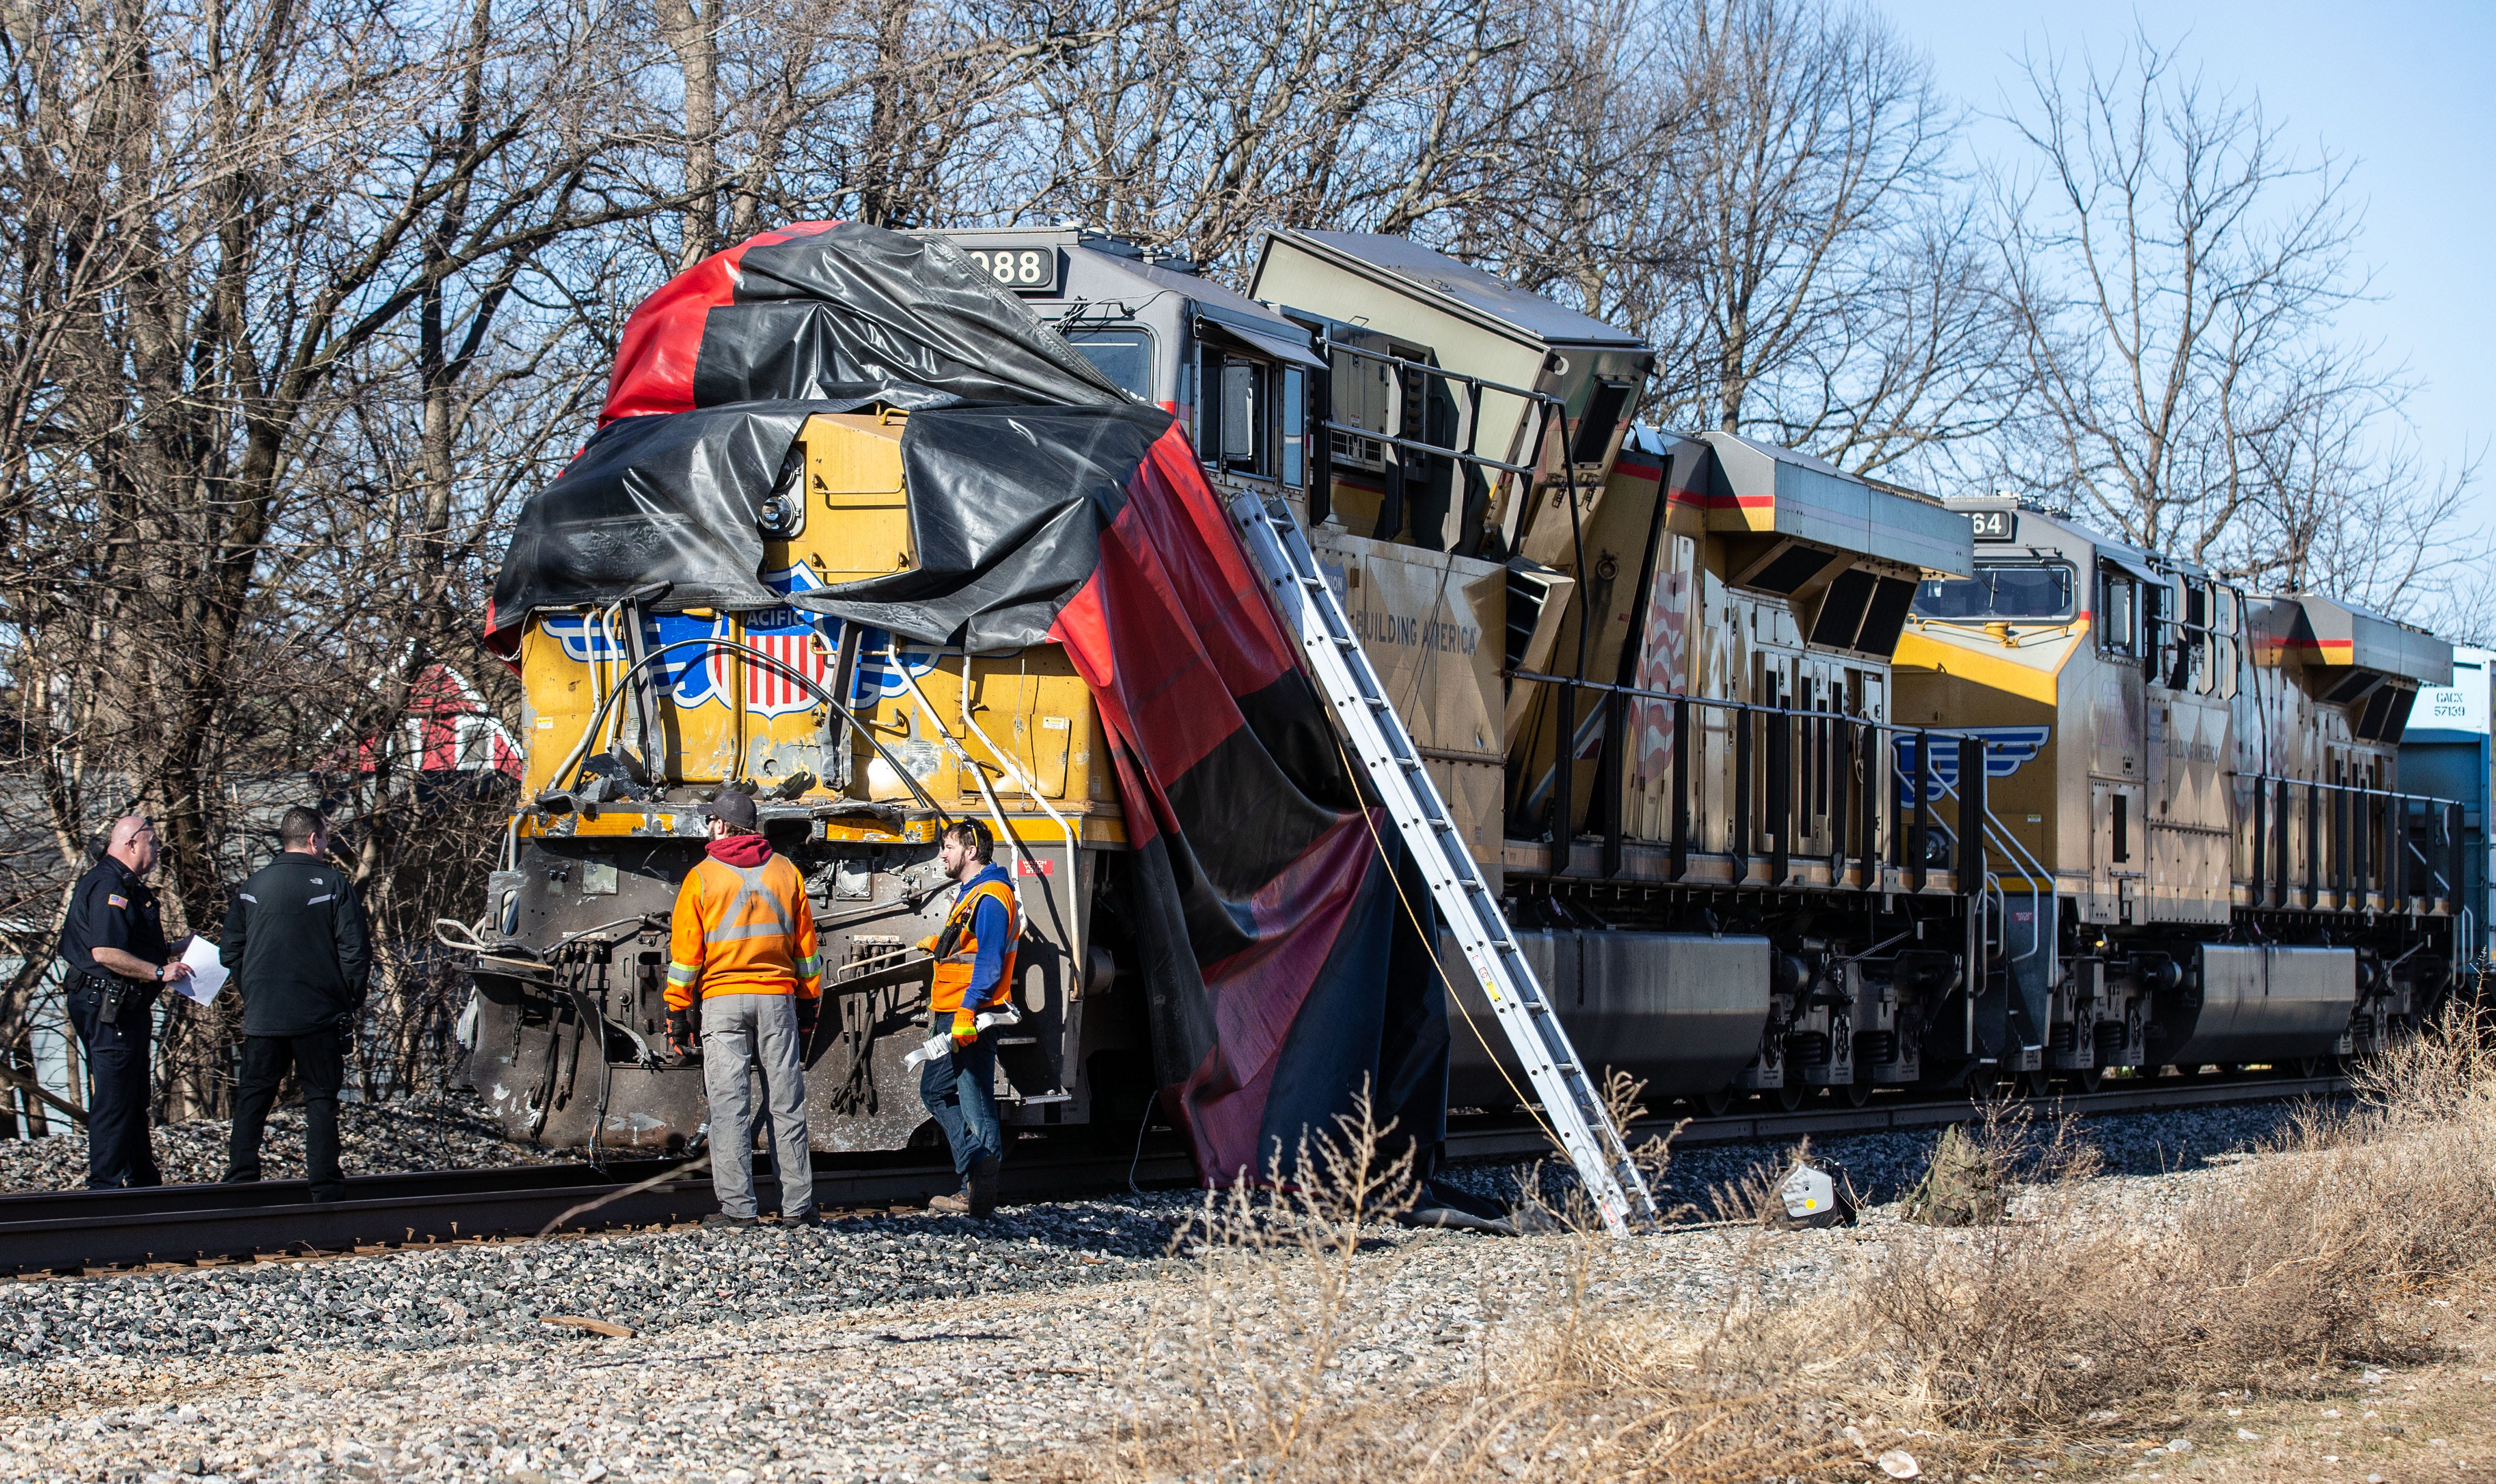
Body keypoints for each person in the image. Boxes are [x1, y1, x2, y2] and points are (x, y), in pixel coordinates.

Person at [665, 788, 822, 1227]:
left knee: (730, 1106)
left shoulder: (701, 878)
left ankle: (738, 1211)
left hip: (723, 1003)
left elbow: (685, 959)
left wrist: (678, 1013)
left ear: (719, 824)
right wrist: (809, 1002)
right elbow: (806, 950)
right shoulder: (786, 872)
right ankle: (799, 1208)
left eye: (710, 822)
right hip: (777, 1000)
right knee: (786, 1104)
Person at [220, 806, 372, 1200]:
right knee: (321, 1098)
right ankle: (324, 1186)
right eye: (325, 838)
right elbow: (355, 952)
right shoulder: (333, 884)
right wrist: (347, 1000)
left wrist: (253, 991)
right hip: (318, 1013)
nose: (326, 845)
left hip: (263, 1014)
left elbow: (230, 951)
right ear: (313, 839)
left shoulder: (251, 886)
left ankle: (240, 1181)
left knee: (254, 1095)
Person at [58, 815, 191, 1189]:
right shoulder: (109, 886)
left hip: (119, 1006)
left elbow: (125, 942)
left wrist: (168, 950)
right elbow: (105, 952)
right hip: (108, 1007)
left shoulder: (124, 885)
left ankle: (143, 1181)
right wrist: (159, 972)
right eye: (154, 843)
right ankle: (105, 1190)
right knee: (115, 1099)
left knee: (132, 1097)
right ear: (131, 843)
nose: (159, 850)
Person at [916, 819, 1018, 1218]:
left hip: (968, 1013)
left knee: (961, 1095)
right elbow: (972, 948)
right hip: (957, 1010)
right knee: (951, 1092)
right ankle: (978, 1180)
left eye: (948, 846)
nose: (942, 853)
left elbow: (990, 963)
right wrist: (940, 948)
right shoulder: (976, 893)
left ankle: (977, 1179)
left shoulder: (991, 896)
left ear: (971, 852)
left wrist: (966, 1011)